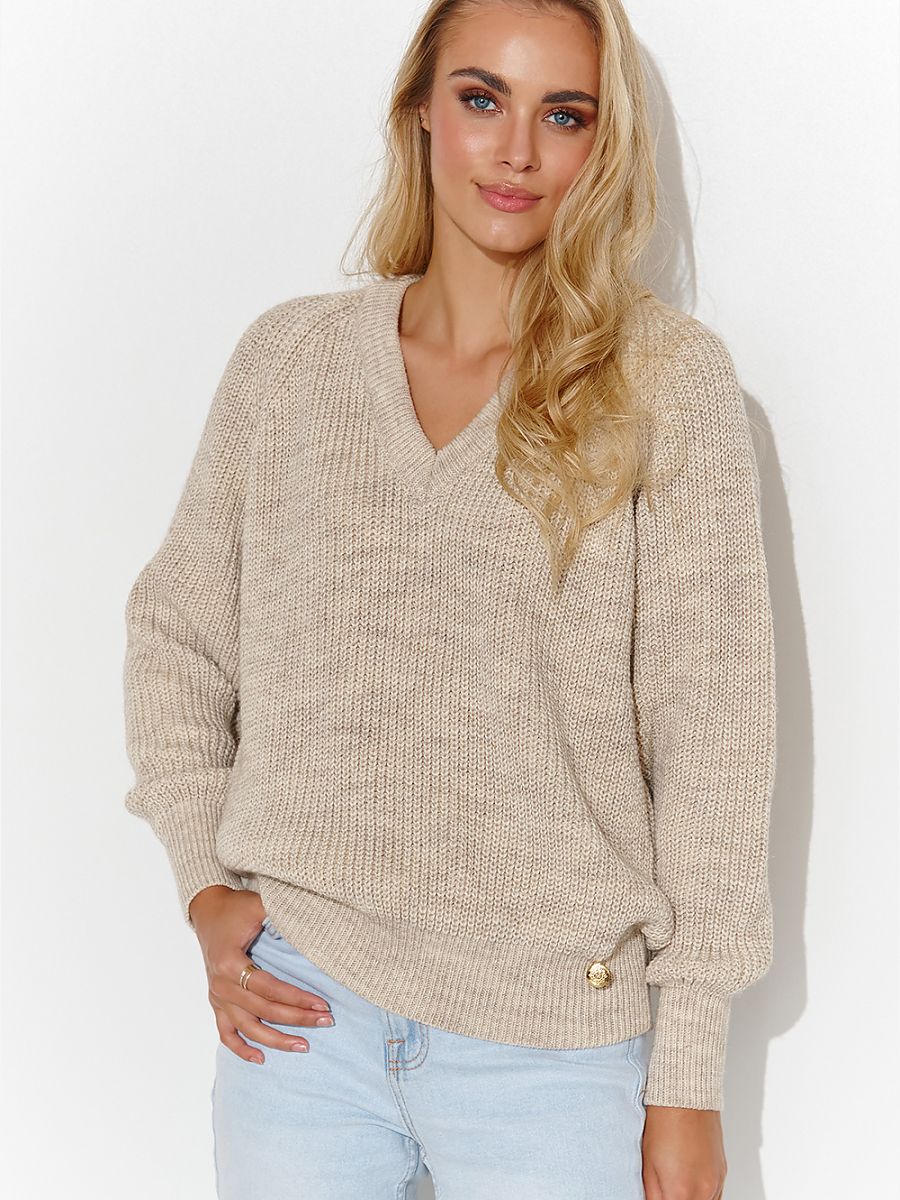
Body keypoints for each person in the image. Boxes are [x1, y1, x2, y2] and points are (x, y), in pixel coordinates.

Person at [122, 1, 776, 1197]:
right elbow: (177, 637)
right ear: (420, 109)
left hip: (553, 1049)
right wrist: (207, 886)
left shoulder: (666, 384)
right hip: (300, 1019)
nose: (517, 151)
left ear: (603, 143)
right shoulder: (291, 364)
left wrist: (687, 1081)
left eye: (563, 115)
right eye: (482, 99)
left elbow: (713, 747)